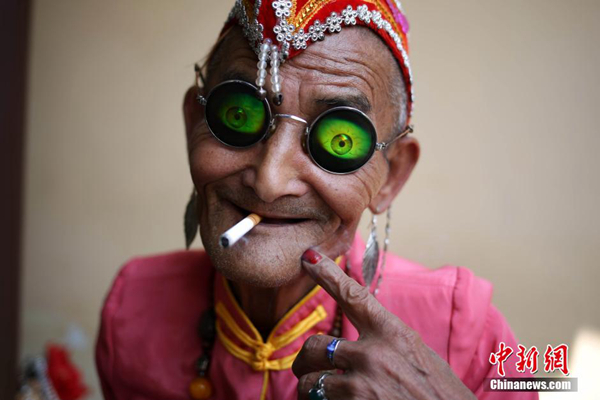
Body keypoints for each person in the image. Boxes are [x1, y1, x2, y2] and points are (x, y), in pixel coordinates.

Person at [96, 1, 538, 399]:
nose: (270, 182)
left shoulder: (469, 333)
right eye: (240, 114)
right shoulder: (132, 310)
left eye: (339, 140)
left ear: (391, 177)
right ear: (195, 122)